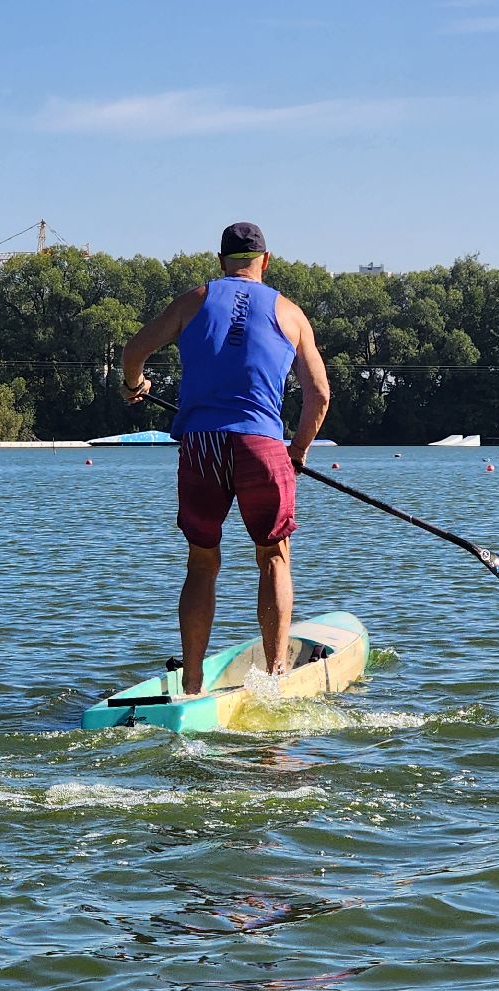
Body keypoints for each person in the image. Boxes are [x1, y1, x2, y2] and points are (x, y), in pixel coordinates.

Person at [119, 222, 331, 696]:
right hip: (261, 446)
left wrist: (135, 386)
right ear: (266, 260)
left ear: (220, 262)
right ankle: (276, 680)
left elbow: (133, 351)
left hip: (202, 445)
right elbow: (319, 395)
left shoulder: (194, 299)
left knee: (201, 563)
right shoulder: (290, 313)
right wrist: (296, 452)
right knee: (274, 558)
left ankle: (191, 683)